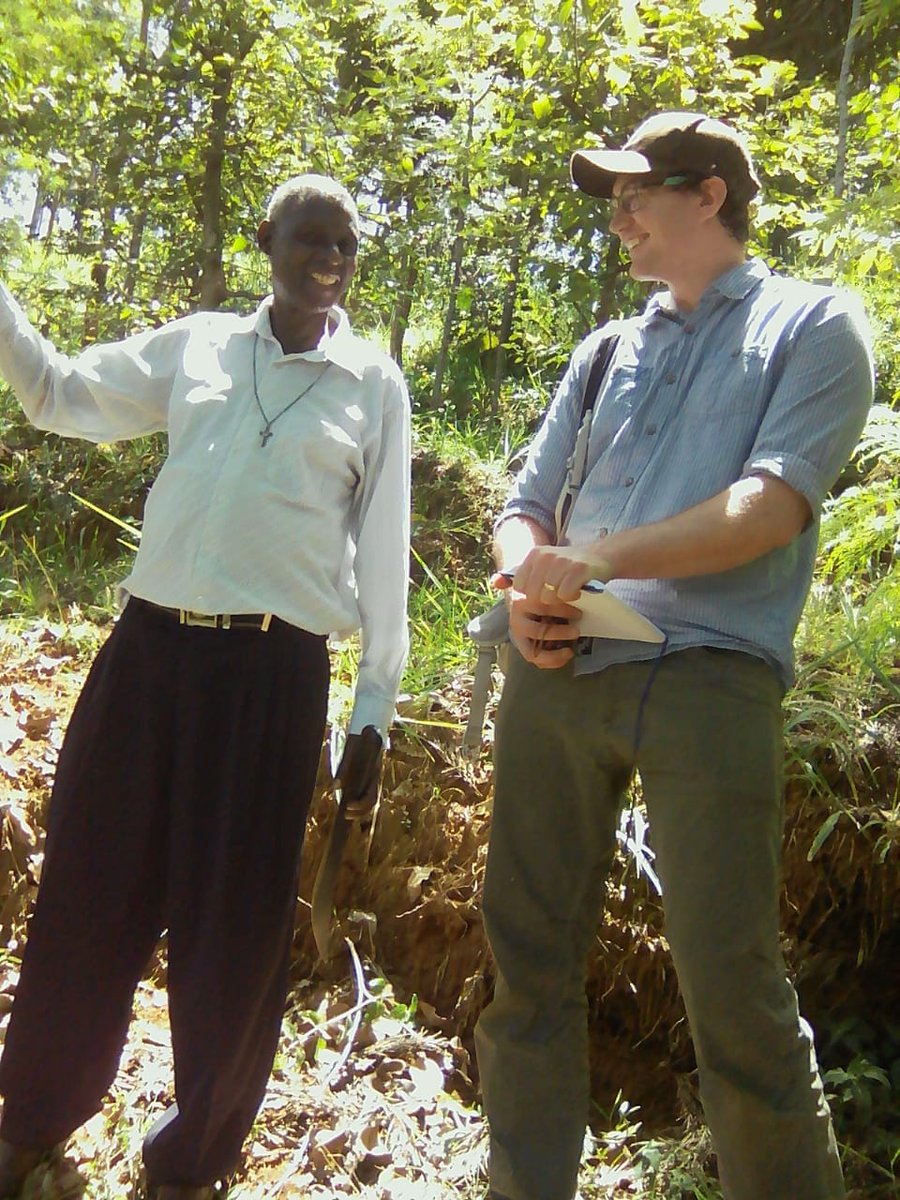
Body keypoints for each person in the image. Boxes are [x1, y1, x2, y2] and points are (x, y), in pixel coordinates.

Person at [474, 113, 874, 1200]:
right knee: (526, 970)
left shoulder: (817, 326)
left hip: (711, 681)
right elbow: (524, 507)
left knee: (733, 989)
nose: (618, 220)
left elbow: (766, 509)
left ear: (709, 195)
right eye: (610, 201)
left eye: (635, 196)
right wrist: (528, 584)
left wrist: (594, 558)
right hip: (558, 674)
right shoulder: (606, 349)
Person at [0, 174, 410, 1199]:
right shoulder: (198, 348)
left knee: (233, 927)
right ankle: (32, 1123)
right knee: (91, 888)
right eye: (311, 237)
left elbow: (384, 555)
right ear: (266, 240)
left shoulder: (372, 383)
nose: (330, 258)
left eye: (347, 244)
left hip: (273, 677)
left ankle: (192, 1162)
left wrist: (373, 712)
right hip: (146, 656)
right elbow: (55, 394)